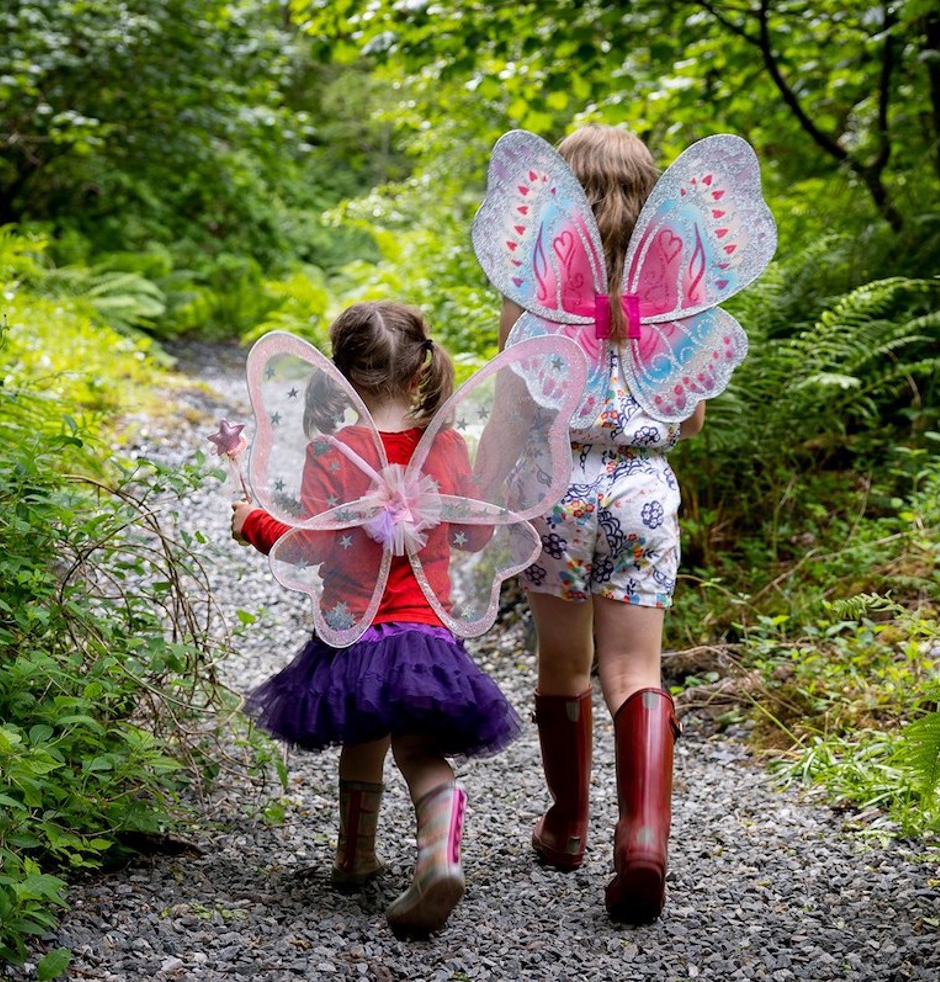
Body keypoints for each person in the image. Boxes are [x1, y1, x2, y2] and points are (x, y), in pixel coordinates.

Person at [230, 300, 520, 937]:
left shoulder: (334, 452)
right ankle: (439, 850)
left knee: (363, 733)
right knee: (418, 746)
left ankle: (355, 856)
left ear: (341, 376)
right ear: (421, 371)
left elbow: (308, 543)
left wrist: (252, 519)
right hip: (427, 631)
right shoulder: (443, 446)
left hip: (356, 627)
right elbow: (472, 539)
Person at [499, 125, 709, 924]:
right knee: (635, 673)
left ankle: (568, 826)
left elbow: (518, 407)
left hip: (558, 488)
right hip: (643, 493)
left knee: (564, 662)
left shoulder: (538, 290)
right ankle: (644, 841)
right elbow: (689, 424)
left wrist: (483, 505)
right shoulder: (680, 296)